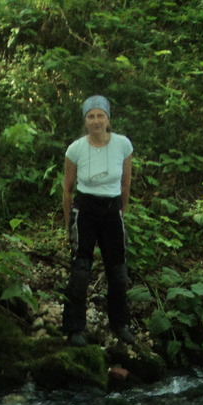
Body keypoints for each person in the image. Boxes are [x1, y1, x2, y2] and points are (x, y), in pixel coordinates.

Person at [61, 94, 136, 347]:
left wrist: (120, 213)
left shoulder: (123, 145)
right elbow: (68, 190)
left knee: (118, 271)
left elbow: (126, 184)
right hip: (85, 211)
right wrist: (68, 222)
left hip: (112, 209)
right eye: (90, 116)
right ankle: (74, 328)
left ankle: (120, 324)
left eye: (100, 115)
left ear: (108, 119)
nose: (96, 121)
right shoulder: (75, 149)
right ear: (85, 121)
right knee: (81, 270)